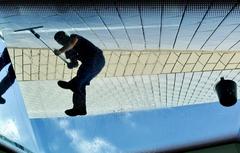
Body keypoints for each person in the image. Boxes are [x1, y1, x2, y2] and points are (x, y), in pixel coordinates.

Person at [54, 31, 105, 116]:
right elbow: (75, 64)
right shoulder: (68, 51)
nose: (61, 41)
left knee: (79, 82)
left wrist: (60, 51)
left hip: (96, 58)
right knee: (81, 81)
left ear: (66, 36)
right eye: (59, 41)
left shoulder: (73, 37)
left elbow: (72, 43)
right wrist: (70, 64)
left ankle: (79, 107)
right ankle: (72, 86)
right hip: (89, 63)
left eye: (62, 38)